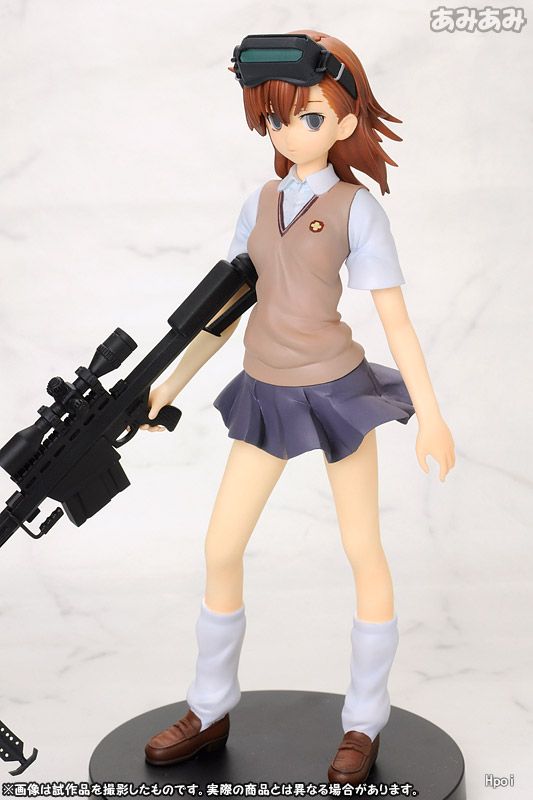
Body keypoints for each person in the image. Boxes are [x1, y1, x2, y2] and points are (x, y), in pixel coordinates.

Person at [141, 30, 455, 785]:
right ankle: (209, 708)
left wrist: (431, 413)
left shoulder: (355, 209)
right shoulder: (259, 203)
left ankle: (363, 723)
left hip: (337, 392)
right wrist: (167, 386)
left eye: (308, 117)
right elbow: (224, 309)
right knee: (221, 547)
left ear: (344, 122)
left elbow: (396, 320)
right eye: (276, 118)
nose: (288, 132)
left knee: (361, 549)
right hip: (264, 389)